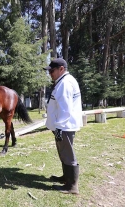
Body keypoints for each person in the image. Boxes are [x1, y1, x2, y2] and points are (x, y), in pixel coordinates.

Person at [43, 58, 83, 194]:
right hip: (63, 126)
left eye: (52, 71)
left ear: (61, 69)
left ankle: (72, 186)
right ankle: (66, 177)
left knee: (68, 154)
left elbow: (65, 109)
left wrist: (59, 127)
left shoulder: (65, 83)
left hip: (64, 126)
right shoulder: (63, 81)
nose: (50, 74)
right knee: (64, 153)